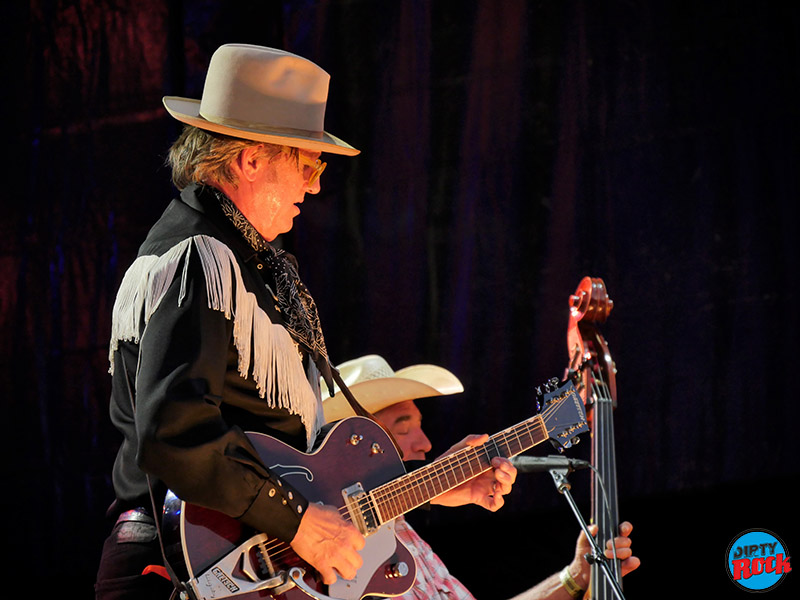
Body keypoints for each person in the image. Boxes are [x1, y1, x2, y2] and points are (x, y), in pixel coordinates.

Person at [94, 44, 516, 600]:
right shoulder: (203, 259)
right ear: (249, 160)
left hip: (235, 569)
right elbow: (174, 434)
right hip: (178, 574)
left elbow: (306, 470)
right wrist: (298, 523)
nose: (315, 185)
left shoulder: (245, 264)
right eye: (307, 163)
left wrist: (430, 486)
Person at [322, 354, 641, 600]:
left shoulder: (405, 537)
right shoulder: (327, 542)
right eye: (403, 428)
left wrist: (574, 576)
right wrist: (436, 484)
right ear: (354, 445)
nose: (426, 443)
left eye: (419, 425)